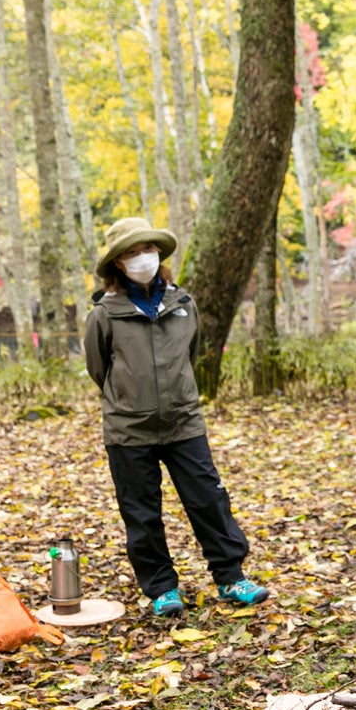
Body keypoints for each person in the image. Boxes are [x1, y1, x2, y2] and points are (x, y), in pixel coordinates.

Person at [82, 218, 269, 616]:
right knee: (141, 511)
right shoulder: (104, 313)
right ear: (117, 262)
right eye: (131, 252)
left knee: (209, 499)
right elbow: (99, 369)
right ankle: (162, 588)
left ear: (159, 253)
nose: (142, 258)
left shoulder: (183, 304)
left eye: (147, 249)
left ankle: (231, 578)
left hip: (184, 422)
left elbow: (192, 354)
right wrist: (131, 397)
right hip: (129, 430)